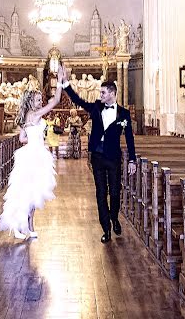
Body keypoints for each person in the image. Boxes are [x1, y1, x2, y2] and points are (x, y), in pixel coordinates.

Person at [59, 70, 137, 243]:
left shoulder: (123, 114)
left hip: (114, 157)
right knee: (101, 193)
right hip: (97, 157)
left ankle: (114, 217)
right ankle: (106, 229)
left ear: (112, 94)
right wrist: (65, 84)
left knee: (115, 192)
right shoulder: (96, 107)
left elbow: (129, 137)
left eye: (103, 92)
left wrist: (132, 159)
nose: (100, 94)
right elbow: (78, 100)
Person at [0, 65, 65, 240]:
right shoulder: (34, 115)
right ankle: (25, 226)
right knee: (30, 192)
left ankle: (27, 226)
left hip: (31, 152)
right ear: (30, 102)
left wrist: (36, 137)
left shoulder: (28, 116)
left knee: (31, 192)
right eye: (37, 100)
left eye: (40, 100)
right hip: (35, 155)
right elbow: (56, 101)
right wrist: (60, 82)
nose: (40, 102)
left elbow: (22, 139)